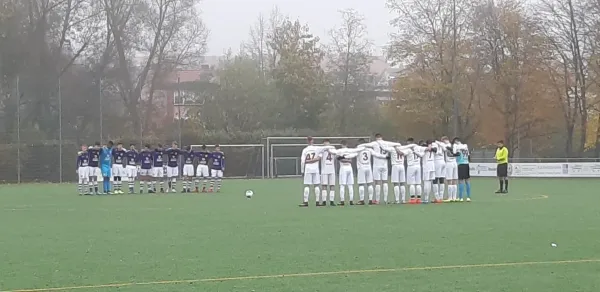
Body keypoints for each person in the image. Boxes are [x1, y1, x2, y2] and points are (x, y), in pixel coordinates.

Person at [358, 134, 395, 204]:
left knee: (377, 182)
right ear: (381, 137)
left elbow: (365, 145)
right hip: (385, 165)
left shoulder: (374, 143)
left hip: (377, 165)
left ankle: (377, 200)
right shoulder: (387, 143)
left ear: (376, 138)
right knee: (385, 182)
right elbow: (397, 144)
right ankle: (385, 200)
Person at [299, 137, 334, 207]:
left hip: (308, 169)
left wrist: (302, 171)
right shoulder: (317, 148)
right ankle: (317, 202)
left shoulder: (305, 150)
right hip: (315, 169)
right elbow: (326, 148)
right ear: (313, 141)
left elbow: (303, 161)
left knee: (307, 185)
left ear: (307, 141)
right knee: (316, 185)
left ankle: (305, 202)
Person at [326, 141, 363, 206]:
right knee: (350, 185)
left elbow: (335, 154)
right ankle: (351, 200)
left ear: (341, 145)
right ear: (347, 144)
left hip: (343, 168)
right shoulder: (350, 150)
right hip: (349, 168)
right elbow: (354, 155)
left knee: (342, 185)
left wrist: (327, 147)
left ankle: (342, 201)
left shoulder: (340, 151)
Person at [356, 138, 387, 205]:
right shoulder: (369, 149)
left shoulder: (358, 149)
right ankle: (370, 199)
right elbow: (376, 154)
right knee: (369, 184)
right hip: (368, 167)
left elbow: (352, 154)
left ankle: (362, 200)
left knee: (361, 184)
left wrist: (344, 156)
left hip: (361, 167)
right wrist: (384, 156)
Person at [437, 137, 459, 202]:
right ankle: (454, 197)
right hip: (455, 163)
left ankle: (450, 198)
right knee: (454, 180)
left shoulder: (445, 145)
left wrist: (437, 142)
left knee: (450, 180)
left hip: (449, 163)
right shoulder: (455, 145)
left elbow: (440, 145)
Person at [320, 139, 337, 206]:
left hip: (331, 169)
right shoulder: (322, 150)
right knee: (324, 185)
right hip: (325, 170)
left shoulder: (332, 149)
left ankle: (331, 201)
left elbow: (336, 155)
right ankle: (324, 201)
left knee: (331, 185)